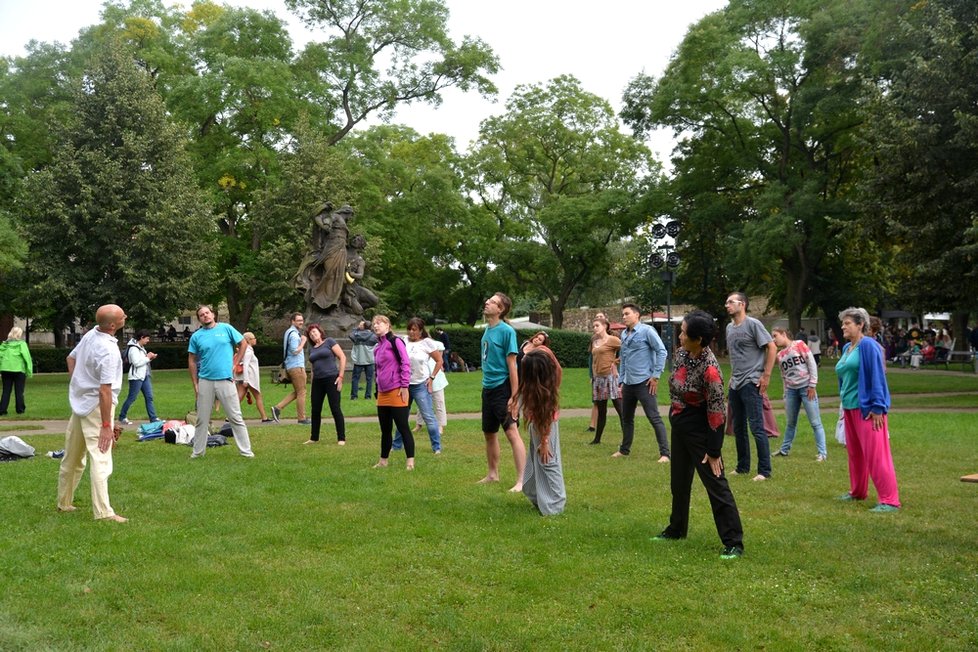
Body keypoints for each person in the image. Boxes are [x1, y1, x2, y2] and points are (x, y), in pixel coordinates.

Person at [652, 310, 744, 559]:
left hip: (701, 431)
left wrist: (713, 451)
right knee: (679, 483)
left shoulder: (711, 370)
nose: (679, 336)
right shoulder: (682, 352)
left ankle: (733, 541)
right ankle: (676, 529)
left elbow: (717, 411)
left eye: (683, 332)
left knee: (716, 484)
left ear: (700, 340)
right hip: (680, 425)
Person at [56, 305, 128, 522]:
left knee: (73, 457)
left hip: (80, 404)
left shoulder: (89, 335)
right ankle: (104, 512)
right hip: (97, 406)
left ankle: (64, 502)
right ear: (113, 325)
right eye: (122, 315)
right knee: (101, 458)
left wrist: (79, 384)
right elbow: (105, 390)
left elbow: (71, 359)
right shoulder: (107, 349)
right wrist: (107, 426)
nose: (126, 316)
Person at [835, 307, 901, 512]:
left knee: (877, 455)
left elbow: (877, 378)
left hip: (868, 410)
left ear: (860, 324)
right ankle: (857, 491)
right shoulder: (847, 347)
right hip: (849, 407)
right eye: (843, 323)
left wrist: (878, 407)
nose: (843, 326)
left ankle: (889, 500)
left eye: (847, 323)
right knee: (855, 454)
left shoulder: (868, 346)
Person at [187, 305, 254, 459]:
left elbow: (243, 343)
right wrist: (195, 383)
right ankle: (198, 452)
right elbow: (191, 361)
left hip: (226, 380)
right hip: (205, 381)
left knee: (235, 417)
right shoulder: (197, 336)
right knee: (202, 419)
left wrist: (236, 362)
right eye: (202, 315)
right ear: (199, 319)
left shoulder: (226, 328)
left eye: (207, 313)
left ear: (213, 314)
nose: (205, 316)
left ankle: (246, 451)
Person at [478, 292, 527, 491]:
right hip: (487, 388)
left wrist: (514, 397)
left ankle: (522, 481)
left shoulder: (507, 331)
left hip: (502, 388)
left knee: (511, 432)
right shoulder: (487, 330)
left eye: (492, 302)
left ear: (501, 309)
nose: (487, 303)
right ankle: (493, 474)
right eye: (488, 300)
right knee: (489, 433)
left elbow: (513, 365)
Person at [725, 292, 776, 481]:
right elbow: (735, 356)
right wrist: (732, 377)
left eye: (731, 302)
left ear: (743, 304)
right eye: (726, 302)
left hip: (751, 382)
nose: (727, 305)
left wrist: (766, 376)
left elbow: (771, 347)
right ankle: (742, 467)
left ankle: (764, 471)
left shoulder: (753, 324)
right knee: (738, 428)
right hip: (736, 383)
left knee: (756, 427)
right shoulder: (729, 328)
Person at [613, 303, 670, 462]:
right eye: (623, 314)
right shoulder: (624, 334)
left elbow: (662, 351)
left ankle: (665, 454)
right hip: (628, 383)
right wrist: (621, 379)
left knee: (654, 417)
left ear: (636, 315)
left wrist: (656, 376)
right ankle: (624, 450)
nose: (624, 317)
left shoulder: (647, 331)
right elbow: (623, 358)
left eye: (627, 314)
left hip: (645, 382)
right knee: (627, 418)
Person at [517, 346, 566, 516]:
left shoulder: (542, 393)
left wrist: (545, 442)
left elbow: (545, 420)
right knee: (536, 462)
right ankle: (536, 495)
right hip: (539, 427)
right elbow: (557, 368)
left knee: (548, 462)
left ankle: (555, 506)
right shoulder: (546, 384)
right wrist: (545, 350)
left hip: (545, 429)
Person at [771, 327, 828, 461]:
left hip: (806, 388)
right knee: (791, 422)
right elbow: (783, 375)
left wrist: (812, 385)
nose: (774, 339)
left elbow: (811, 363)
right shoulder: (780, 355)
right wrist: (785, 393)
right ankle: (784, 450)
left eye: (775, 336)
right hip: (791, 390)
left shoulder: (799, 345)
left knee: (815, 422)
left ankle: (822, 453)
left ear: (784, 334)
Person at [393, 317, 444, 454]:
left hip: (420, 385)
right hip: (404, 385)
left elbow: (439, 361)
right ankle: (396, 445)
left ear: (421, 331)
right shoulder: (403, 341)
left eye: (414, 330)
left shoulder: (427, 343)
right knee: (401, 416)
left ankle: (437, 447)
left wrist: (431, 378)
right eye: (409, 329)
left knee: (428, 416)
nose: (411, 332)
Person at [371, 315, 414, 470]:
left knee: (402, 427)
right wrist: (377, 390)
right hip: (382, 393)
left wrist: (404, 386)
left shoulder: (395, 342)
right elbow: (377, 372)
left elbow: (405, 363)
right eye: (374, 324)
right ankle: (383, 460)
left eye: (379, 323)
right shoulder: (377, 348)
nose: (376, 326)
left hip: (397, 390)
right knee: (385, 429)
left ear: (387, 325)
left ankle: (410, 461)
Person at [305, 323, 347, 445]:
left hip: (331, 378)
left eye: (314, 331)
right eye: (310, 333)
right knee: (315, 410)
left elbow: (342, 357)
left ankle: (341, 438)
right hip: (317, 381)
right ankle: (314, 437)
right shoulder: (312, 349)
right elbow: (313, 368)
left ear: (320, 331)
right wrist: (312, 385)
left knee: (335, 408)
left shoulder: (329, 342)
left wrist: (340, 376)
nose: (313, 334)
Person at [587, 316, 621, 445]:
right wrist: (593, 375)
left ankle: (626, 439)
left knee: (619, 407)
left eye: (597, 325)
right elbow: (593, 360)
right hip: (598, 379)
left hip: (610, 377)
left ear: (605, 326)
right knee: (602, 410)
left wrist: (616, 362)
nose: (595, 328)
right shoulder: (594, 341)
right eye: (593, 326)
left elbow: (627, 350)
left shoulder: (613, 340)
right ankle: (597, 439)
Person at [272, 312, 309, 425]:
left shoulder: (289, 332)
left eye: (302, 320)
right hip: (296, 366)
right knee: (302, 392)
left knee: (299, 391)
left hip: (291, 366)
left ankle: (278, 408)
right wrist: (303, 342)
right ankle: (301, 419)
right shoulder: (293, 335)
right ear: (292, 321)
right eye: (298, 320)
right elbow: (295, 351)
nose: (301, 322)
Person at [117, 329, 160, 425]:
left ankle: (153, 418)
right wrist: (148, 357)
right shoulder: (133, 349)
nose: (148, 341)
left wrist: (150, 358)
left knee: (149, 397)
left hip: (144, 376)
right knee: (132, 397)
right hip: (136, 377)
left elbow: (143, 361)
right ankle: (122, 416)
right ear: (142, 337)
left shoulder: (141, 348)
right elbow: (136, 363)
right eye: (147, 339)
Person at [234, 331, 272, 423]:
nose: (255, 340)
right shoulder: (248, 351)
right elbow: (246, 365)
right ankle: (264, 417)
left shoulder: (243, 350)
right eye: (253, 338)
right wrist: (246, 380)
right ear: (248, 340)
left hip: (241, 377)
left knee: (239, 397)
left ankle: (230, 416)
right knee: (258, 396)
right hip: (249, 378)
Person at [0, 326, 33, 416]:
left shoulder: (4, 345)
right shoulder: (22, 344)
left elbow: (0, 356)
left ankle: (2, 410)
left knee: (6, 391)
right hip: (19, 370)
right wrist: (29, 371)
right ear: (19, 334)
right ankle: (20, 409)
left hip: (6, 369)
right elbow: (27, 358)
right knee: (19, 391)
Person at [349, 320, 377, 400]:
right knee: (369, 379)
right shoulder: (374, 336)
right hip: (370, 361)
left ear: (363, 326)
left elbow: (350, 335)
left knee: (355, 379)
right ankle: (368, 396)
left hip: (358, 360)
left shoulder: (356, 335)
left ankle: (354, 396)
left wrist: (357, 329)